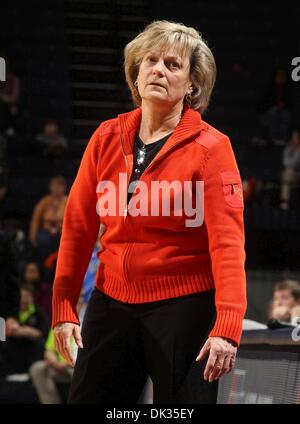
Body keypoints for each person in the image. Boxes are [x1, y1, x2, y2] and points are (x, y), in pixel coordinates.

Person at [52, 20, 247, 404]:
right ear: (136, 73)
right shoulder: (105, 137)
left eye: (172, 64)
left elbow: (228, 243)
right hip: (111, 299)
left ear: (192, 84)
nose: (158, 69)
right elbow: (77, 227)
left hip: (186, 306)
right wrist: (64, 307)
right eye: (150, 61)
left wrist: (228, 325)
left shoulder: (213, 147)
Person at [29, 175, 68, 264]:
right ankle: (45, 264)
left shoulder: (68, 200)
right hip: (46, 233)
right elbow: (35, 220)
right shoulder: (44, 202)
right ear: (50, 187)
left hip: (62, 232)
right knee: (42, 239)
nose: (56, 188)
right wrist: (33, 236)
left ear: (64, 188)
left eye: (59, 186)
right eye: (54, 186)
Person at [280, 129, 300, 209]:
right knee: (287, 177)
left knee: (288, 173)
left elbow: (295, 163)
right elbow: (285, 162)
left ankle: (284, 202)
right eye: (293, 137)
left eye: (296, 137)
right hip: (289, 174)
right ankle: (284, 203)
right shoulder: (288, 148)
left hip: (297, 174)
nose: (294, 139)